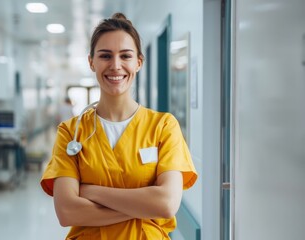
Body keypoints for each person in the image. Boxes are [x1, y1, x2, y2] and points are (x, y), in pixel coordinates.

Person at [41, 12, 197, 239]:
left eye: (125, 56)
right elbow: (67, 212)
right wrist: (142, 207)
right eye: (105, 56)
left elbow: (165, 204)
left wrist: (91, 191)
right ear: (91, 62)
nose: (115, 65)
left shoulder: (163, 126)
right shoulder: (71, 132)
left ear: (138, 62)